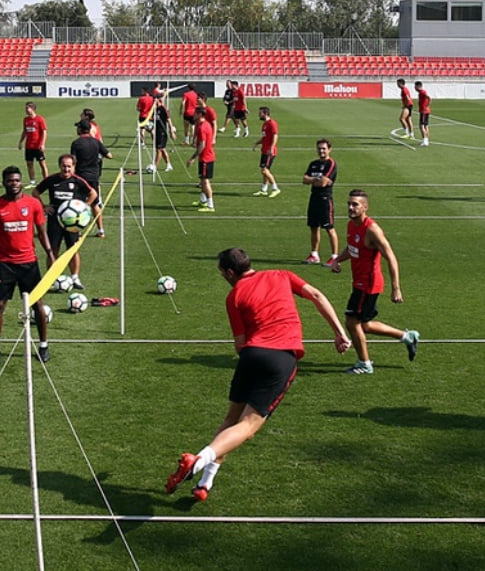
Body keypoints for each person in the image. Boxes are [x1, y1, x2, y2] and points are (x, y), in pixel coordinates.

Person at [164, 247, 350, 501]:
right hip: (281, 358)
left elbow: (239, 344)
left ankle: (204, 484)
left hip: (251, 356)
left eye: (221, 272)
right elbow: (316, 295)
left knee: (231, 421)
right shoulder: (282, 275)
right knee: (248, 427)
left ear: (230, 272)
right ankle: (198, 463)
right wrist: (339, 332)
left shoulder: (234, 296)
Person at [330, 189, 420, 374]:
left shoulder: (372, 230)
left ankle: (364, 364)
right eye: (349, 204)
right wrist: (338, 259)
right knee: (364, 325)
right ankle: (407, 337)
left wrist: (396, 288)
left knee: (351, 321)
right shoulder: (351, 225)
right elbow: (352, 247)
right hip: (359, 282)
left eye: (355, 204)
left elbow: (391, 257)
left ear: (365, 207)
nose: (350, 207)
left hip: (368, 284)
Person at [0, 166, 56, 367]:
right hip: (5, 264)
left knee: (38, 305)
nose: (14, 183)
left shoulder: (33, 204)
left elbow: (42, 232)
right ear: (3, 182)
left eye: (17, 180)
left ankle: (43, 345)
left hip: (29, 264)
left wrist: (50, 255)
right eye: (10, 180)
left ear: (21, 181)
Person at [33, 154, 100, 290]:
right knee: (53, 250)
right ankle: (51, 278)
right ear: (60, 166)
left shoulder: (78, 181)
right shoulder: (52, 180)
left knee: (72, 250)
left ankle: (75, 277)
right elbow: (35, 192)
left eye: (69, 166)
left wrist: (84, 207)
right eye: (64, 166)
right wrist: (44, 206)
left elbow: (93, 194)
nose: (66, 169)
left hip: (73, 224)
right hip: (55, 221)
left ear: (74, 167)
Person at [71, 119, 113, 237]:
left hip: (80, 178)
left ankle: (77, 230)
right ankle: (101, 230)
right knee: (95, 204)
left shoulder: (76, 143)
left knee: (78, 204)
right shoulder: (96, 142)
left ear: (80, 129)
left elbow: (73, 161)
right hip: (94, 177)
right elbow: (109, 155)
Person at [302, 139, 339, 266]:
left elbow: (324, 183)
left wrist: (315, 180)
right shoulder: (313, 164)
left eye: (324, 148)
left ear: (329, 149)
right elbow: (304, 180)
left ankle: (334, 257)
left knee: (329, 228)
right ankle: (314, 254)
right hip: (314, 198)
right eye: (319, 148)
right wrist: (317, 179)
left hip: (325, 199)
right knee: (313, 227)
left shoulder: (331, 164)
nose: (321, 151)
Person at [186, 106, 216, 212]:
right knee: (202, 180)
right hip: (207, 156)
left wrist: (192, 158)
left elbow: (203, 145)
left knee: (205, 181)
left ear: (199, 114)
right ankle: (203, 201)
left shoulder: (203, 127)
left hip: (206, 158)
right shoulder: (205, 124)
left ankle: (210, 205)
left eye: (195, 113)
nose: (193, 115)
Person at [18, 101, 49, 187]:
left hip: (37, 146)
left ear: (32, 109)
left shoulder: (40, 119)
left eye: (27, 108)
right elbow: (24, 131)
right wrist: (20, 142)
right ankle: (32, 182)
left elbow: (44, 132)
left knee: (42, 164)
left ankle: (46, 181)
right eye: (25, 108)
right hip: (28, 146)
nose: (26, 110)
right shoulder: (26, 119)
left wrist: (42, 144)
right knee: (29, 164)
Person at [252, 106, 279, 197]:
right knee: (264, 171)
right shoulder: (264, 124)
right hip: (264, 150)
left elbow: (275, 136)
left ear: (266, 113)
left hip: (269, 151)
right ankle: (264, 190)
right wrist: (257, 143)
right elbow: (265, 138)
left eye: (260, 113)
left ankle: (275, 188)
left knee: (264, 171)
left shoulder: (272, 123)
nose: (259, 115)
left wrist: (271, 148)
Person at [148, 93, 177, 173]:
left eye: (155, 100)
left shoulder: (163, 109)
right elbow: (153, 119)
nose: (153, 102)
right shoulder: (155, 109)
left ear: (158, 100)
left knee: (159, 150)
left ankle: (154, 166)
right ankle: (169, 165)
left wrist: (172, 131)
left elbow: (169, 120)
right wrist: (150, 126)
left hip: (162, 132)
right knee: (162, 149)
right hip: (157, 131)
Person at [414, 81, 431, 147]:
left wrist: (427, 105)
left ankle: (425, 141)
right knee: (426, 126)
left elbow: (429, 97)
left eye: (415, 86)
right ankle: (426, 140)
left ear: (418, 86)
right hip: (425, 111)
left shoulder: (422, 92)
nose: (414, 88)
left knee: (421, 126)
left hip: (424, 111)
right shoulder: (421, 93)